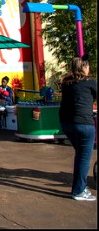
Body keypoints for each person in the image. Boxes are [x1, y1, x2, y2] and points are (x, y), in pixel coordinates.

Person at [59, 57, 96, 201]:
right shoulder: (90, 82)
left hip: (67, 124)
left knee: (81, 155)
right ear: (84, 67)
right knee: (83, 158)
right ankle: (79, 191)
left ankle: (80, 186)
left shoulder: (66, 83)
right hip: (84, 124)